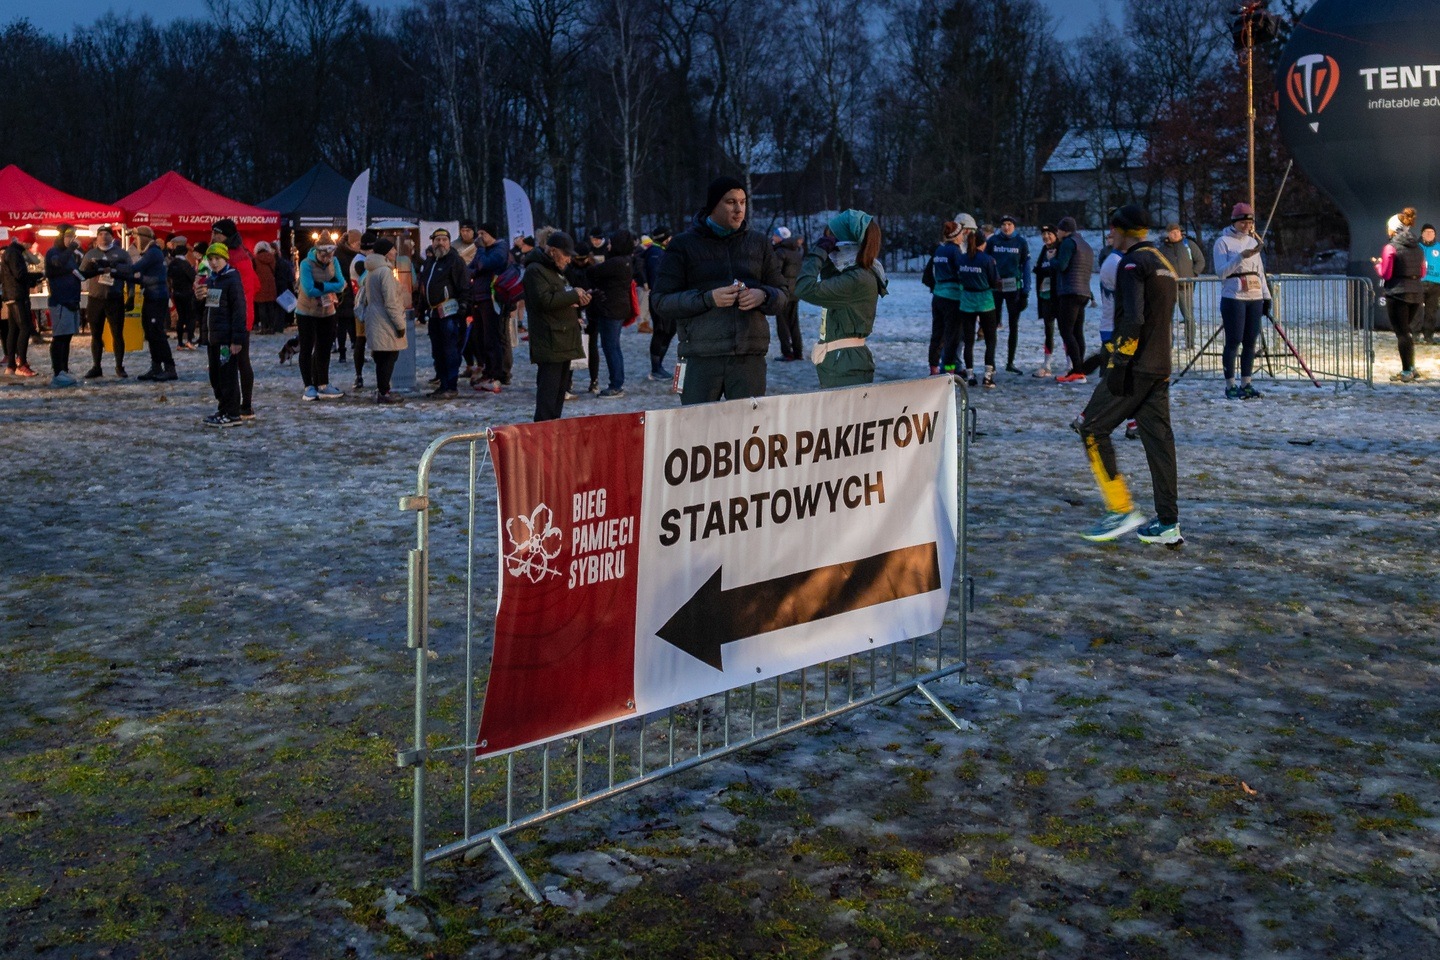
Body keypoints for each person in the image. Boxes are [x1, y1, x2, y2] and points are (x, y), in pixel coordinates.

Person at [1076, 205, 1181, 545]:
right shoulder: (1164, 262)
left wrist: (1118, 363)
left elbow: (1134, 319)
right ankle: (1168, 523)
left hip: (1135, 367)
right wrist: (1101, 357)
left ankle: (1120, 509)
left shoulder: (1132, 263)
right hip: (1160, 366)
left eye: (1112, 229)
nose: (1109, 234)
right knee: (1159, 443)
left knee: (1091, 428)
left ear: (1124, 231)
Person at [650, 176, 787, 405]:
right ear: (713, 205)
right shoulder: (683, 245)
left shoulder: (759, 243)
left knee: (748, 426)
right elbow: (661, 301)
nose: (739, 209)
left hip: (748, 358)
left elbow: (783, 293)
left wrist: (763, 295)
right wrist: (707, 299)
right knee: (698, 425)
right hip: (699, 358)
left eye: (743, 202)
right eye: (730, 202)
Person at [795, 209, 887, 388]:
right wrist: (828, 258)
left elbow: (804, 287)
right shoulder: (854, 273)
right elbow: (828, 279)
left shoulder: (857, 278)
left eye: (830, 240)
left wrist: (819, 253)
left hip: (845, 363)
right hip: (841, 361)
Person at [522, 231, 589, 421]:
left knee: (559, 393)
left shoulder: (554, 271)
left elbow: (557, 297)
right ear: (553, 251)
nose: (569, 259)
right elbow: (544, 301)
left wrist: (576, 300)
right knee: (548, 394)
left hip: (562, 339)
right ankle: (543, 430)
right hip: (550, 341)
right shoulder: (535, 270)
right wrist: (573, 295)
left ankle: (552, 429)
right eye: (566, 254)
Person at [1212, 202, 1270, 399]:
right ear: (1234, 222)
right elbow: (1221, 272)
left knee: (1250, 341)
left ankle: (1247, 383)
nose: (1247, 226)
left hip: (1254, 296)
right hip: (1234, 296)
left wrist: (1266, 296)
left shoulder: (1253, 242)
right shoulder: (1223, 242)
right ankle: (1230, 385)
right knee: (1234, 340)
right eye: (1243, 222)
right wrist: (1240, 258)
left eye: (1250, 222)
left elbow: (1260, 272)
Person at [114, 225, 177, 381]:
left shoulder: (153, 252)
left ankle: (170, 368)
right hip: (151, 296)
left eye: (136, 238)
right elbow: (140, 278)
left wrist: (113, 267)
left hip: (157, 298)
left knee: (157, 333)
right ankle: (156, 367)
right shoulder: (151, 253)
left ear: (143, 238)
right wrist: (117, 274)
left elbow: (135, 268)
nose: (135, 241)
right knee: (150, 332)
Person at [212, 220, 259, 417]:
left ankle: (238, 406)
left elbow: (243, 290)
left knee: (234, 363)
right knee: (238, 362)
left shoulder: (234, 258)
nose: (214, 237)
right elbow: (256, 284)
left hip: (236, 318)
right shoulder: (239, 254)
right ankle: (240, 405)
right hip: (236, 316)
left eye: (217, 233)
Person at [197, 242, 247, 427]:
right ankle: (224, 408)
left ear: (225, 259)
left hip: (226, 338)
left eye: (217, 259)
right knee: (216, 376)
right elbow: (209, 310)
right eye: (211, 259)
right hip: (214, 338)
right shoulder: (212, 280)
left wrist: (237, 339)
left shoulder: (232, 279)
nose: (214, 262)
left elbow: (239, 310)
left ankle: (232, 413)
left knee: (227, 376)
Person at [1375, 207, 1427, 383]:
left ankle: (1406, 371)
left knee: (1401, 333)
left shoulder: (1390, 248)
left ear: (1393, 229)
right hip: (1416, 292)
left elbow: (1386, 273)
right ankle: (1411, 368)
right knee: (1407, 331)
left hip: (1397, 293)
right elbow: (1423, 272)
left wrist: (1378, 265)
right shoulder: (1418, 247)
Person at [417, 227, 469, 398]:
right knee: (437, 351)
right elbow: (424, 287)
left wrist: (463, 306)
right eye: (437, 240)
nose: (441, 243)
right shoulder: (430, 262)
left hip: (450, 313)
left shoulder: (455, 261)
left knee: (450, 350)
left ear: (449, 242)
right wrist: (421, 308)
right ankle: (443, 384)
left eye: (444, 240)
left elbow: (464, 286)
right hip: (433, 313)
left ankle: (451, 386)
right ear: (432, 242)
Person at [950, 216, 1002, 387]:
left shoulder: (962, 259)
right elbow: (994, 281)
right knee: (990, 340)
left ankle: (970, 375)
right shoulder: (987, 260)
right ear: (983, 243)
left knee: (968, 340)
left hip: (967, 302)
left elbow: (959, 276)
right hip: (985, 302)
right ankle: (988, 376)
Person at [585, 228, 636, 397]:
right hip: (618, 308)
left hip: (611, 308)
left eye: (611, 243)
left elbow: (592, 272)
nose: (608, 246)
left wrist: (592, 264)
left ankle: (616, 384)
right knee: (614, 346)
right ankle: (617, 382)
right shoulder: (626, 261)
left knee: (610, 347)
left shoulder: (616, 263)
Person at [294, 240, 346, 400]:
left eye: (329, 256)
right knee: (307, 347)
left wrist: (322, 286)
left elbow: (341, 284)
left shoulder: (334, 262)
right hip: (306, 312)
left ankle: (323, 383)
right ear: (317, 252)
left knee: (324, 348)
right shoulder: (306, 264)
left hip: (327, 311)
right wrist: (330, 285)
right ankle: (308, 386)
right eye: (323, 255)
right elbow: (309, 289)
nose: (326, 259)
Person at [358, 238, 407, 404]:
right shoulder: (385, 272)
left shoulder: (372, 271)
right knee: (389, 356)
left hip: (375, 318)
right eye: (392, 249)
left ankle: (382, 389)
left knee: (381, 357)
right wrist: (400, 325)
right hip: (385, 320)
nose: (395, 252)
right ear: (386, 253)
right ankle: (384, 391)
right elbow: (390, 302)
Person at [80, 225, 132, 378]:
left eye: (107, 234)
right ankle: (96, 366)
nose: (103, 237)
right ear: (96, 238)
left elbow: (130, 274)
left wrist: (131, 296)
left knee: (117, 334)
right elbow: (81, 274)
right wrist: (90, 269)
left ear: (112, 237)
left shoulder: (121, 253)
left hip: (114, 298)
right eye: (101, 234)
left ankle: (119, 366)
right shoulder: (90, 254)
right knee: (96, 334)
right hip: (95, 299)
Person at [468, 222, 512, 393]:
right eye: (478, 234)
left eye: (483, 234)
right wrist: (476, 269)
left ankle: (496, 374)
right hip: (478, 297)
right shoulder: (484, 251)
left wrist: (480, 251)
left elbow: (485, 264)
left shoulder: (500, 248)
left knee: (492, 338)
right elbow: (471, 268)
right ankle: (487, 371)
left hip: (491, 299)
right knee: (479, 338)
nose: (479, 238)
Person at [1052, 216, 1094, 383]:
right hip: (1084, 292)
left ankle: (1077, 370)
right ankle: (1079, 368)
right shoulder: (1085, 245)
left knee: (1066, 331)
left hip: (1070, 292)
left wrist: (1052, 259)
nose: (1057, 233)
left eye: (1058, 230)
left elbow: (1062, 265)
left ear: (1064, 230)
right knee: (1077, 332)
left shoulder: (1069, 243)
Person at [987, 215, 1030, 373]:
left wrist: (1026, 291)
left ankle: (1010, 362)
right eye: (1004, 224)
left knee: (1013, 325)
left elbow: (1026, 267)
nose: (1006, 227)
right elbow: (986, 262)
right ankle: (990, 363)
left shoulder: (1020, 242)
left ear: (1014, 226)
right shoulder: (993, 241)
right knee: (992, 325)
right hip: (996, 288)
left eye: (1009, 224)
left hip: (1014, 288)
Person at [42, 225, 85, 386]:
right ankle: (57, 372)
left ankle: (64, 369)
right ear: (61, 237)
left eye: (73, 236)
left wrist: (97, 270)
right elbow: (58, 263)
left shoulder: (71, 255)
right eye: (68, 236)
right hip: (60, 301)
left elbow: (78, 274)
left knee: (67, 337)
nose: (72, 239)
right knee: (59, 338)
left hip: (72, 300)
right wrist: (72, 248)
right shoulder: (53, 252)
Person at [1157, 223, 1206, 349]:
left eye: (1177, 232)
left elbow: (1200, 261)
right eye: (1172, 232)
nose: (1175, 234)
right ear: (1168, 234)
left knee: (1188, 316)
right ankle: (1168, 344)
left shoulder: (1189, 245)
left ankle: (1190, 343)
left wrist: (1193, 274)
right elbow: (1157, 266)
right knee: (1168, 317)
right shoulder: (1162, 249)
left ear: (1180, 232)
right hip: (1169, 287)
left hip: (1186, 286)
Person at [930, 218, 968, 378]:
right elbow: (962, 272)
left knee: (937, 334)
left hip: (938, 295)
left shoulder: (939, 249)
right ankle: (950, 369)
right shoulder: (955, 251)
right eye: (961, 234)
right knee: (952, 337)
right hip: (952, 298)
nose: (963, 237)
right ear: (956, 235)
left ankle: (933, 368)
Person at [1, 232, 43, 376]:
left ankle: (11, 365)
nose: (30, 246)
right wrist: (37, 276)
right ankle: (22, 363)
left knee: (13, 330)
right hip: (17, 295)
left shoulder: (11, 252)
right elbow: (19, 274)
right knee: (25, 327)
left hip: (11, 295)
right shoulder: (14, 253)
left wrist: (31, 281)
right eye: (30, 243)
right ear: (25, 242)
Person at [770, 226, 805, 362]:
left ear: (781, 238)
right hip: (794, 292)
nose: (773, 237)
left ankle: (787, 353)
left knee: (782, 323)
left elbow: (775, 273)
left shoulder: (780, 252)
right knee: (794, 323)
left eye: (775, 235)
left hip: (783, 292)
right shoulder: (797, 252)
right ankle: (798, 352)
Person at [643, 228, 673, 380]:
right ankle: (656, 368)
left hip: (666, 297)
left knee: (669, 330)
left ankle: (659, 365)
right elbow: (656, 278)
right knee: (661, 331)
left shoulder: (659, 251)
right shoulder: (655, 253)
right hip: (660, 298)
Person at [1032, 224, 1059, 377]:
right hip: (1045, 296)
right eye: (1044, 234)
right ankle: (1047, 364)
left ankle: (1071, 363)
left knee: (1066, 331)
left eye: (1049, 234)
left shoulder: (1060, 249)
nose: (1046, 237)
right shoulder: (1044, 250)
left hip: (1059, 296)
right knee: (1048, 330)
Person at [333, 229, 362, 364]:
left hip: (354, 293)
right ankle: (342, 353)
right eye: (358, 243)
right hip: (343, 294)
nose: (359, 246)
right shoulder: (340, 254)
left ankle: (357, 351)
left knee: (353, 324)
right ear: (353, 243)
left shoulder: (356, 255)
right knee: (343, 324)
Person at [168, 237, 199, 349]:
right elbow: (193, 277)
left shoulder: (172, 264)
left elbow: (169, 277)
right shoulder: (185, 264)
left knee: (181, 317)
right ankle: (189, 340)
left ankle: (179, 342)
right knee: (190, 317)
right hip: (187, 293)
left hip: (176, 293)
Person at [253, 241, 282, 334]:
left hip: (260, 284)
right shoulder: (272, 258)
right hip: (271, 284)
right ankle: (271, 327)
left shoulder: (255, 259)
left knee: (262, 307)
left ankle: (263, 328)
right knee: (270, 307)